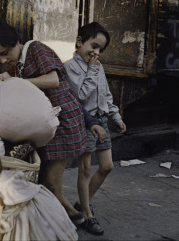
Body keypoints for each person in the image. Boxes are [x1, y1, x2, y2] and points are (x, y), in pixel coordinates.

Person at [0, 19, 96, 226]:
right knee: (44, 181)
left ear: (16, 41)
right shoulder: (17, 66)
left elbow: (53, 80)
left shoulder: (36, 49)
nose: (2, 59)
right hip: (46, 124)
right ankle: (62, 220)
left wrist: (14, 82)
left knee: (51, 184)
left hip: (62, 122)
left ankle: (76, 219)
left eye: (5, 52)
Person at [64, 22, 127, 235]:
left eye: (100, 49)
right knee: (85, 169)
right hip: (84, 122)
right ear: (79, 42)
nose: (96, 52)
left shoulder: (99, 67)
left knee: (107, 166)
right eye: (93, 45)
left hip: (101, 121)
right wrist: (91, 69)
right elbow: (80, 96)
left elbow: (106, 96)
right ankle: (87, 216)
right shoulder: (70, 67)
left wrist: (116, 118)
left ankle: (83, 203)